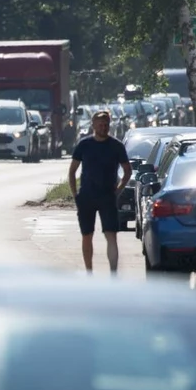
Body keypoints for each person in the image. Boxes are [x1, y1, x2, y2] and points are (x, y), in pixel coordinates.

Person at [68, 110, 131, 276]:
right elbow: (72, 170)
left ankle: (113, 274)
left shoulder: (116, 146)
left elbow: (127, 171)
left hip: (108, 197)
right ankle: (89, 272)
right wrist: (75, 194)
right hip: (86, 196)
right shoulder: (84, 145)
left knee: (111, 236)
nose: (104, 128)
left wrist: (118, 190)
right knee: (87, 235)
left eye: (106, 125)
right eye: (100, 125)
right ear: (93, 125)